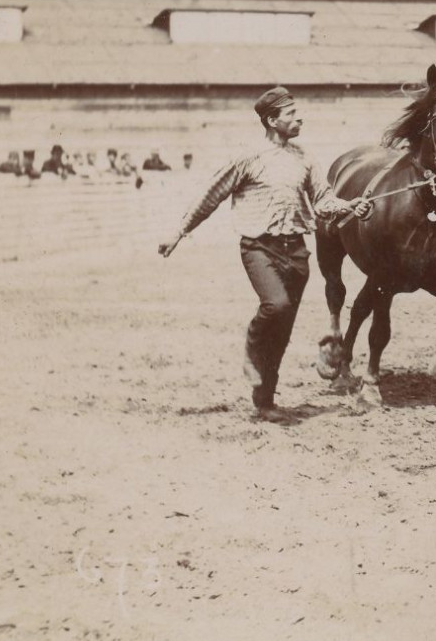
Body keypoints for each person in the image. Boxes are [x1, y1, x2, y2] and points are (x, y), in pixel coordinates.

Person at [158, 86, 372, 421]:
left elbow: (324, 201)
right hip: (259, 247)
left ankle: (265, 401)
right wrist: (179, 232)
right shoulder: (248, 157)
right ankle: (251, 348)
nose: (298, 117)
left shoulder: (305, 158)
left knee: (283, 331)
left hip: (297, 252)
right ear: (272, 120)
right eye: (290, 114)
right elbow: (210, 195)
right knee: (276, 305)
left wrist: (350, 205)